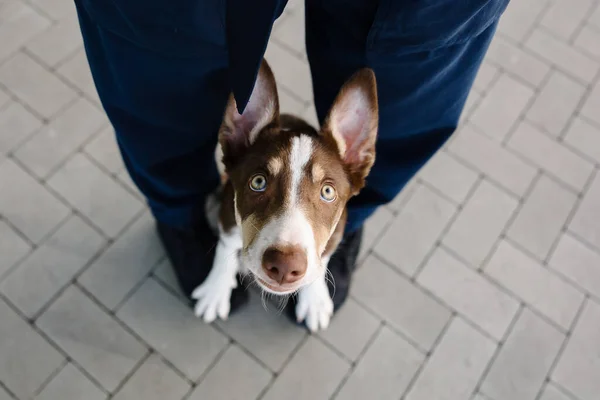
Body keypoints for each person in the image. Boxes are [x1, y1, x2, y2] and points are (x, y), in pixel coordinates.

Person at [73, 0, 509, 320]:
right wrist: (224, 275)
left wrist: (312, 278)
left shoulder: (348, 164)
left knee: (405, 51)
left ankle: (341, 231)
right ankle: (179, 213)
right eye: (260, 182)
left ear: (356, 159)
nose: (286, 256)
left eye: (326, 190)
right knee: (166, 50)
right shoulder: (243, 160)